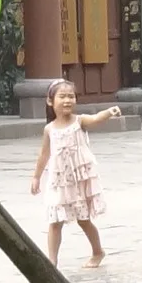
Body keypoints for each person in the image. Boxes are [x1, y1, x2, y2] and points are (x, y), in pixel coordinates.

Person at [29, 81, 122, 269]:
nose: (67, 100)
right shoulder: (50, 129)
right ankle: (52, 261)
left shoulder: (80, 121)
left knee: (84, 220)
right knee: (55, 220)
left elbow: (96, 119)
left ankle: (98, 251)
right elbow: (44, 154)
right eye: (62, 96)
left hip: (79, 180)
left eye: (71, 96)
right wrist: (36, 176)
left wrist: (109, 112)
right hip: (59, 180)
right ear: (50, 101)